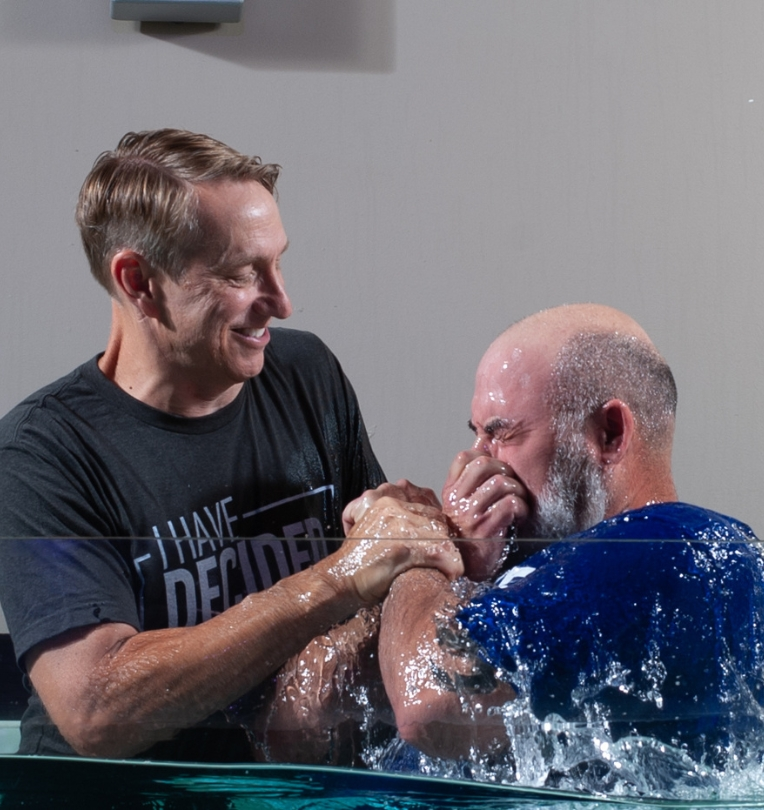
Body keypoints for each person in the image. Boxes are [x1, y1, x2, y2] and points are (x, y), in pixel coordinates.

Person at [0, 129, 463, 762]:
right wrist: (339, 579)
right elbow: (98, 708)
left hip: (283, 782)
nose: (281, 301)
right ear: (138, 281)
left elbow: (381, 569)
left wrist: (446, 532)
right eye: (242, 274)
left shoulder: (306, 375)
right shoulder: (41, 457)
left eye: (277, 262)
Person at [347, 304, 764, 778]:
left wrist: (417, 546)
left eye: (502, 435)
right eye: (476, 436)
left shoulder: (664, 548)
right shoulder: (570, 573)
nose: (474, 463)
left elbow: (427, 709)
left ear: (610, 434)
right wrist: (466, 571)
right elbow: (306, 721)